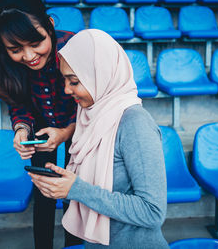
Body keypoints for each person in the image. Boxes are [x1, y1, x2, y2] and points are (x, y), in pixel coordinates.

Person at [29, 29, 169, 248]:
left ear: (100, 76)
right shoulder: (89, 116)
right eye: (64, 80)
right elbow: (92, 192)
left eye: (74, 81)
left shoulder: (135, 124)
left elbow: (152, 212)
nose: (66, 90)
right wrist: (61, 185)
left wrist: (75, 189)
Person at [0, 0, 81, 248]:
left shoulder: (76, 48)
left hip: (82, 126)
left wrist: (66, 133)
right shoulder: (7, 62)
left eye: (37, 43)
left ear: (49, 25)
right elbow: (19, 103)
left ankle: (75, 244)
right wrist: (22, 129)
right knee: (43, 191)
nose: (29, 56)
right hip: (41, 127)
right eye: (15, 49)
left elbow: (92, 105)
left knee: (76, 191)